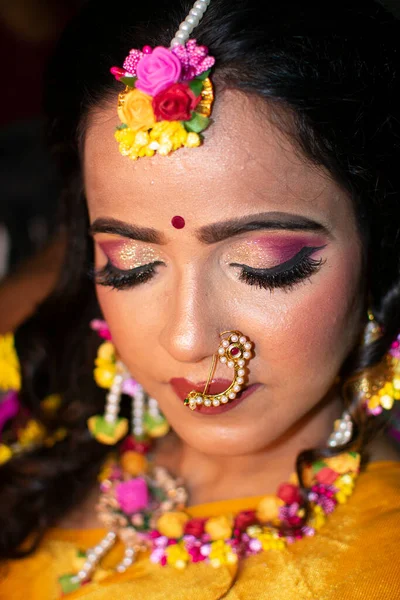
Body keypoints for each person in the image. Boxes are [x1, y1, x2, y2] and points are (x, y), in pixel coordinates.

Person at [1, 0, 400, 598]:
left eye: (267, 266)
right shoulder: (33, 413)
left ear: (379, 239)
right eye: (130, 265)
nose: (186, 339)